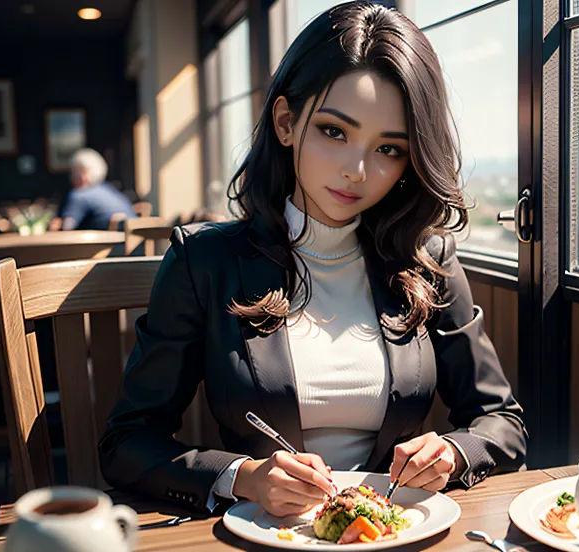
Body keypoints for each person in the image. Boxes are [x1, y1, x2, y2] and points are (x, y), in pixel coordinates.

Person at [99, 1, 527, 517]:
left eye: (389, 149)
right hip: (260, 535)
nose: (357, 169)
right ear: (285, 121)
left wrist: (455, 453)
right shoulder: (203, 260)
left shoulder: (428, 259)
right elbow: (127, 441)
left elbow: (501, 421)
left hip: (392, 533)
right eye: (333, 131)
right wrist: (243, 476)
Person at [51, 148, 136, 231]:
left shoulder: (80, 195)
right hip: (135, 242)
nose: (70, 176)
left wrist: (55, 225)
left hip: (110, 244)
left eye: (73, 171)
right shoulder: (110, 191)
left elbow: (67, 227)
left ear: (83, 174)